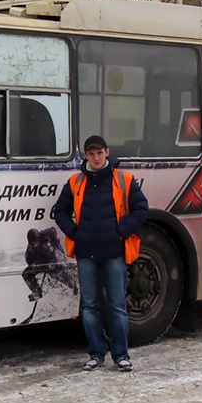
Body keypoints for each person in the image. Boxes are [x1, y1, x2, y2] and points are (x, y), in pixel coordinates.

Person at [53, 134, 149, 371]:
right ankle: (96, 354)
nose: (96, 158)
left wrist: (122, 232)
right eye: (91, 153)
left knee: (117, 305)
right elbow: (60, 212)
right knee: (89, 307)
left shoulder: (124, 179)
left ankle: (121, 355)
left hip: (114, 252)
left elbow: (141, 208)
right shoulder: (75, 182)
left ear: (107, 152)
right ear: (86, 156)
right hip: (86, 253)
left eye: (100, 152)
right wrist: (75, 233)